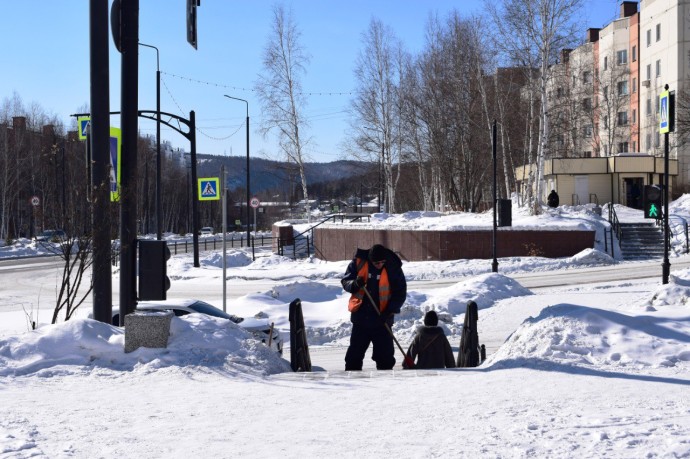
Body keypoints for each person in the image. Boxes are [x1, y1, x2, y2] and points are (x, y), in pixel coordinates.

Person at [341, 244, 407, 370]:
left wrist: (389, 311)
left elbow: (400, 292)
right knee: (353, 358)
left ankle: (386, 386)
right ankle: (352, 384)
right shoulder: (358, 262)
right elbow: (346, 281)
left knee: (385, 359)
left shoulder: (393, 267)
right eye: (377, 263)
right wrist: (354, 284)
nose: (380, 265)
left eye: (382, 262)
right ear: (370, 260)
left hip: (382, 320)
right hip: (361, 318)